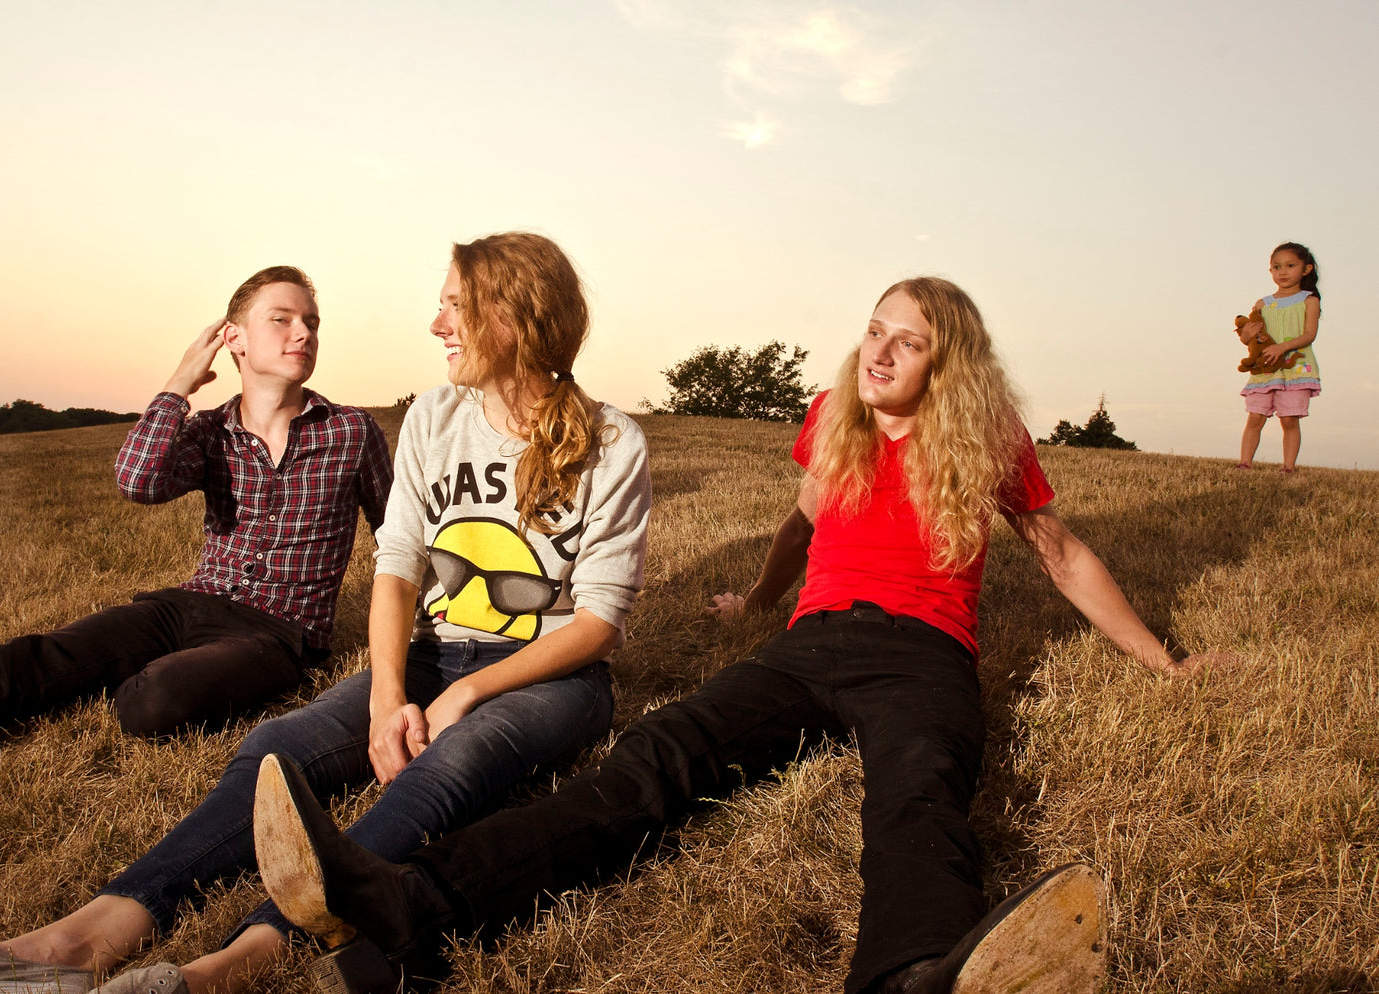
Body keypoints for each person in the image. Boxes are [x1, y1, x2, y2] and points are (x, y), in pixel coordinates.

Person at [251, 276, 1228, 994]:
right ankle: (399, 902)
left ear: (952, 366)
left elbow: (1063, 556)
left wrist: (1165, 661)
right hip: (806, 648)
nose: (879, 352)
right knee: (655, 758)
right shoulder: (832, 414)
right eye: (874, 330)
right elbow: (803, 520)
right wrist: (761, 601)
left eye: (909, 343)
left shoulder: (986, 441)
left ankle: (916, 971)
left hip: (924, 657)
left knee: (919, 791)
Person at [0, 233, 650, 994]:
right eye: (441, 306)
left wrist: (463, 695)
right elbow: (398, 566)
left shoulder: (613, 442)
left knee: (453, 764)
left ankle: (232, 962)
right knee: (279, 744)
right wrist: (389, 695)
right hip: (403, 647)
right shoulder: (432, 418)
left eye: (455, 306)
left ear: (518, 315)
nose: (437, 324)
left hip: (552, 676)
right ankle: (81, 936)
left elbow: (598, 622)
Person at [0, 266, 393, 781]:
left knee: (157, 700)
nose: (303, 333)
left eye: (312, 322)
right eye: (281, 319)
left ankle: (136, 675)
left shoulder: (350, 430)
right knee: (31, 658)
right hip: (184, 605)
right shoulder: (210, 431)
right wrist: (178, 386)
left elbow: (395, 530)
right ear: (232, 338)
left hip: (278, 631)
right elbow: (138, 481)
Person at [1235, 241, 1322, 473]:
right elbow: (1250, 340)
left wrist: (1281, 348)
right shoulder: (1263, 304)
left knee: (1289, 420)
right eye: (1276, 267)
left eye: (1290, 265)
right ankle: (1245, 463)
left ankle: (1288, 467)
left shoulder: (1309, 300)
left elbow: (1309, 335)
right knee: (1255, 416)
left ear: (1306, 269)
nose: (1282, 272)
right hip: (1266, 370)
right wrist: (1246, 336)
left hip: (1296, 368)